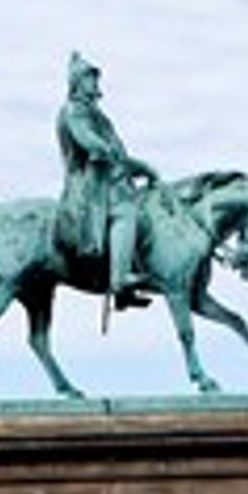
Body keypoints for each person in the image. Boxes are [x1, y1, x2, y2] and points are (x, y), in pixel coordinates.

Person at [56, 53, 160, 307]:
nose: (94, 82)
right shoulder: (75, 110)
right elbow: (91, 143)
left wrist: (142, 168)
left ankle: (126, 290)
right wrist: (109, 152)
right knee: (126, 212)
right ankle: (120, 279)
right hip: (90, 184)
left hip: (106, 178)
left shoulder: (96, 114)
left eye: (95, 77)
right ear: (77, 82)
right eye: (89, 77)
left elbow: (117, 156)